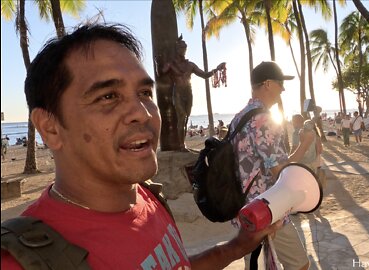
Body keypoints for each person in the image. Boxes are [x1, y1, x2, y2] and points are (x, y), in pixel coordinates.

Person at [1, 23, 281, 270]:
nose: (144, 112)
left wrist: (235, 247)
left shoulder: (148, 196)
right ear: (50, 127)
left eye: (145, 93)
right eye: (108, 96)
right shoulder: (23, 260)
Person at [230, 61, 311, 270]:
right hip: (267, 208)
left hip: (244, 208)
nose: (283, 88)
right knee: (300, 264)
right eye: (280, 83)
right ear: (267, 84)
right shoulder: (264, 119)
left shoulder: (239, 117)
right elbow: (281, 171)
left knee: (255, 265)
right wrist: (305, 144)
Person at [162, 35, 225, 150]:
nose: (183, 51)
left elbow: (204, 75)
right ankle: (181, 145)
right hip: (178, 93)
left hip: (188, 92)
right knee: (181, 117)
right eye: (181, 48)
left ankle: (182, 143)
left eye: (185, 49)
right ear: (177, 49)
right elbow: (161, 73)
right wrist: (159, 62)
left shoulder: (190, 65)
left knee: (186, 119)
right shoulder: (171, 64)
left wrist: (216, 69)